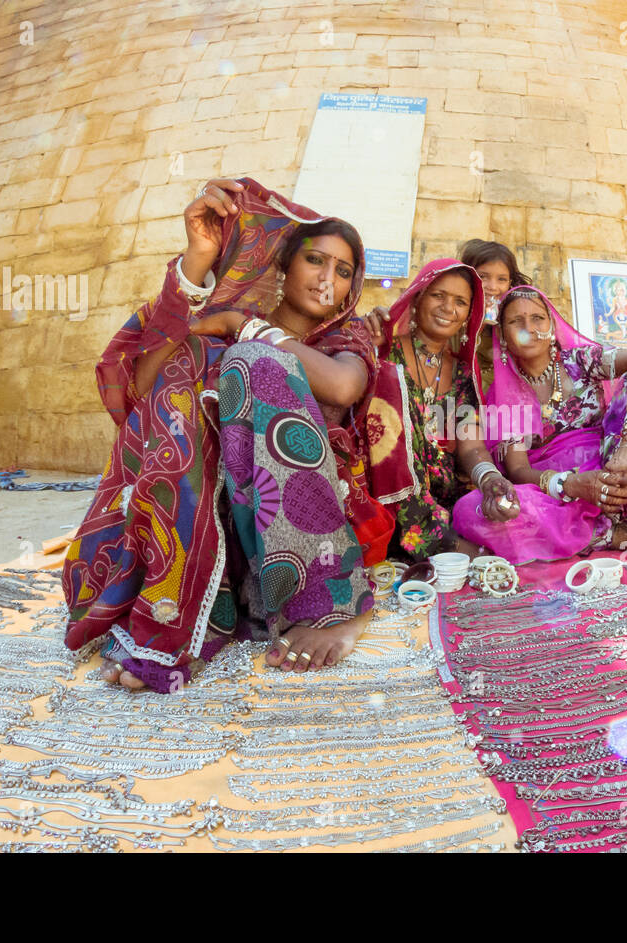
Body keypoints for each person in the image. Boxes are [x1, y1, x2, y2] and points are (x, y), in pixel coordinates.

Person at [63, 177, 411, 690]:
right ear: (285, 264)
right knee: (187, 363)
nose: (328, 280)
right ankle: (180, 599)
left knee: (254, 363)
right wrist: (198, 257)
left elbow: (341, 386)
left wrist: (245, 330)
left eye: (343, 271)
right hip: (224, 515)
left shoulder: (345, 334)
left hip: (318, 520)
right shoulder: (225, 313)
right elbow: (141, 384)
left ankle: (329, 604)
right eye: (316, 260)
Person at [453, 286, 627, 563]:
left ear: (551, 325)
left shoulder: (579, 362)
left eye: (538, 318)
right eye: (516, 321)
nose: (529, 327)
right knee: (471, 509)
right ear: (503, 335)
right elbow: (518, 470)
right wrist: (571, 485)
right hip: (561, 494)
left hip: (617, 471)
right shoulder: (506, 391)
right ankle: (612, 535)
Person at [376, 258, 521, 560]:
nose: (447, 308)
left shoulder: (462, 374)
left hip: (445, 500)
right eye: (437, 295)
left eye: (460, 302)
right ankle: (450, 547)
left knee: (509, 513)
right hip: (394, 497)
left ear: (469, 314)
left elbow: (471, 447)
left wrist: (490, 478)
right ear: (417, 299)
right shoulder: (384, 353)